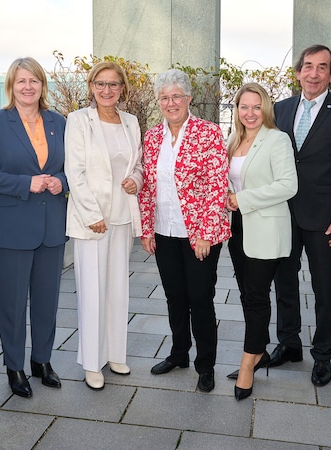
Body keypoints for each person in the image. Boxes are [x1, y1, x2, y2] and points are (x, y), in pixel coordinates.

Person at [269, 45, 331, 386]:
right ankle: (289, 343)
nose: (313, 73)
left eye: (322, 68)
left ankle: (323, 355)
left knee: (325, 288)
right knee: (284, 282)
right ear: (297, 72)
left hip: (325, 219)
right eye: (307, 66)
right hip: (282, 214)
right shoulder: (280, 109)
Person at [0, 57, 68, 399]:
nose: (28, 87)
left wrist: (62, 180)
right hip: (12, 227)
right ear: (11, 86)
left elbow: (76, 167)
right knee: (13, 305)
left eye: (34, 81)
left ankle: (41, 362)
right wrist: (25, 183)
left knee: (47, 300)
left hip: (52, 226)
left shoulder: (59, 122)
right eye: (21, 81)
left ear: (43, 86)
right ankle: (14, 366)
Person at [138, 68, 230, 393]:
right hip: (164, 231)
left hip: (200, 234)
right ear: (159, 102)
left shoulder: (208, 133)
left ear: (188, 98)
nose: (171, 102)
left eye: (177, 96)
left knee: (201, 298)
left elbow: (217, 185)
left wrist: (205, 232)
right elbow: (147, 187)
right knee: (174, 297)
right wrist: (147, 229)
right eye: (164, 97)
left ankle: (206, 365)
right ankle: (179, 353)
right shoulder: (151, 138)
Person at [64, 62, 143, 390]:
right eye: (101, 84)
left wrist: (135, 180)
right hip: (92, 220)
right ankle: (92, 362)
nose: (107, 90)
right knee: (92, 291)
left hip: (122, 216)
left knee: (117, 290)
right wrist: (91, 213)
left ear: (122, 88)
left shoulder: (131, 122)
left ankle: (114, 354)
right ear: (91, 87)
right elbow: (75, 171)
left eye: (113, 84)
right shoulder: (79, 120)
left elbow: (139, 163)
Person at [225, 83, 297, 400]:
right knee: (247, 295)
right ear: (237, 109)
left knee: (255, 297)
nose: (250, 113)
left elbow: (288, 186)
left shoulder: (277, 139)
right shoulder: (234, 139)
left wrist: (243, 199)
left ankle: (247, 363)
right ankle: (259, 351)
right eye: (244, 107)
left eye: (256, 107)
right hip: (238, 228)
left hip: (265, 228)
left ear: (265, 108)